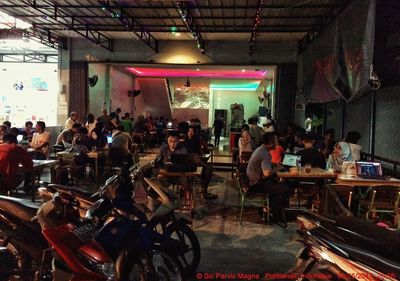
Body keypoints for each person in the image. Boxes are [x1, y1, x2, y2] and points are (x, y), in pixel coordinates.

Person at [246, 132, 290, 228]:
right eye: (276, 141)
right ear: (271, 142)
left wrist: (274, 166)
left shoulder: (260, 150)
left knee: (278, 186)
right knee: (286, 189)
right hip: (256, 184)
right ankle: (268, 208)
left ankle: (271, 209)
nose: (277, 143)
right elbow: (267, 173)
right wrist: (277, 168)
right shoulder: (265, 154)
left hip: (251, 181)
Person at [158, 132, 217, 200]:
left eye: (175, 141)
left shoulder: (183, 149)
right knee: (157, 179)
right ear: (167, 140)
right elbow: (158, 161)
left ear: (178, 140)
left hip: (180, 174)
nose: (172, 144)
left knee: (185, 181)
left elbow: (185, 163)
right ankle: (165, 198)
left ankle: (188, 197)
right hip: (167, 174)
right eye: (170, 141)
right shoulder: (163, 148)